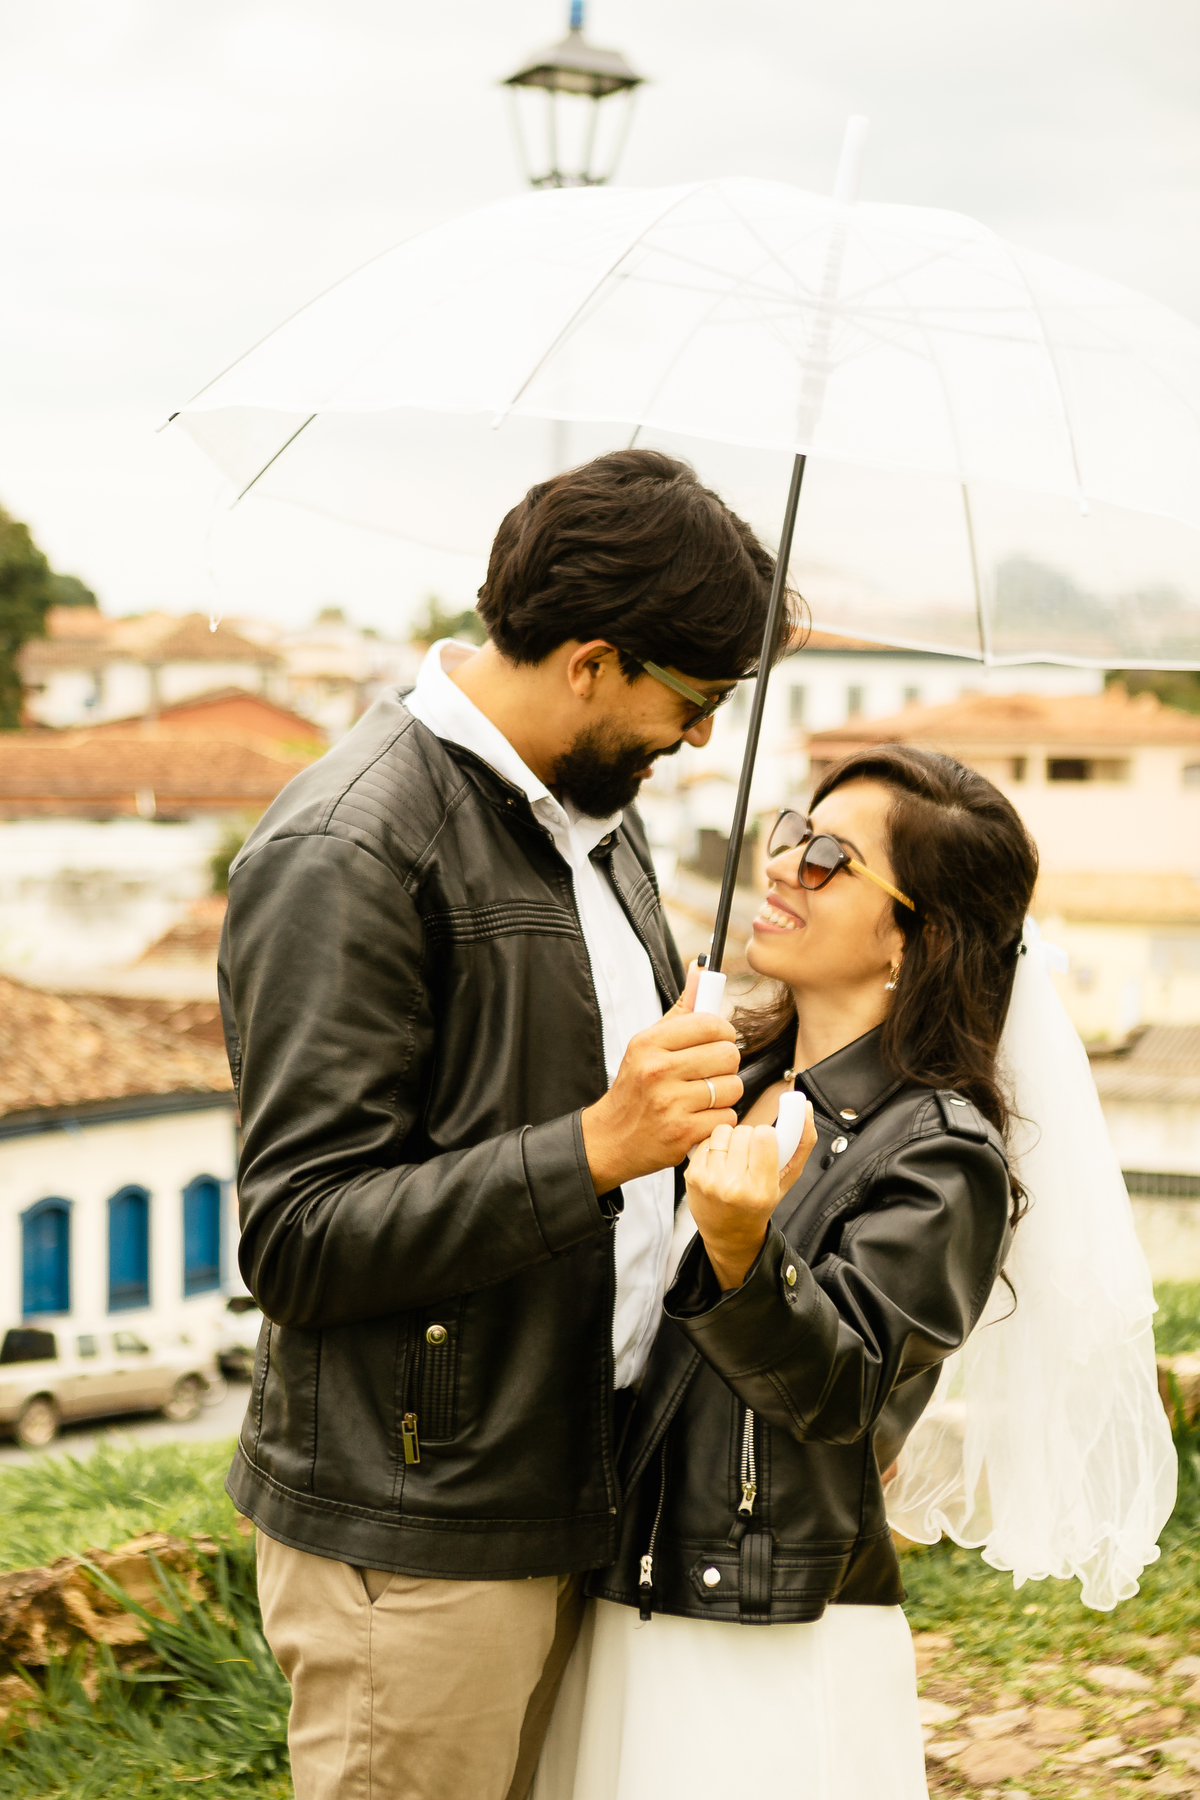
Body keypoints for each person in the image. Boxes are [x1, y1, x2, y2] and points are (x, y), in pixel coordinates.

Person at [217, 448, 796, 1800]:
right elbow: (300, 1238)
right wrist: (600, 1144)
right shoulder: (350, 847)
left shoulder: (600, 821)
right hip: (418, 1536)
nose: (699, 740)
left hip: (575, 1485)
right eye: (694, 699)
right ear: (591, 661)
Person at [534, 744, 1041, 1800]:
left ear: (916, 936)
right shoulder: (720, 1079)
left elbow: (843, 1391)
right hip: (626, 1578)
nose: (781, 865)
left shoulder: (942, 1154)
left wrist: (741, 1252)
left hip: (760, 1623)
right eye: (792, 833)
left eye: (828, 860)